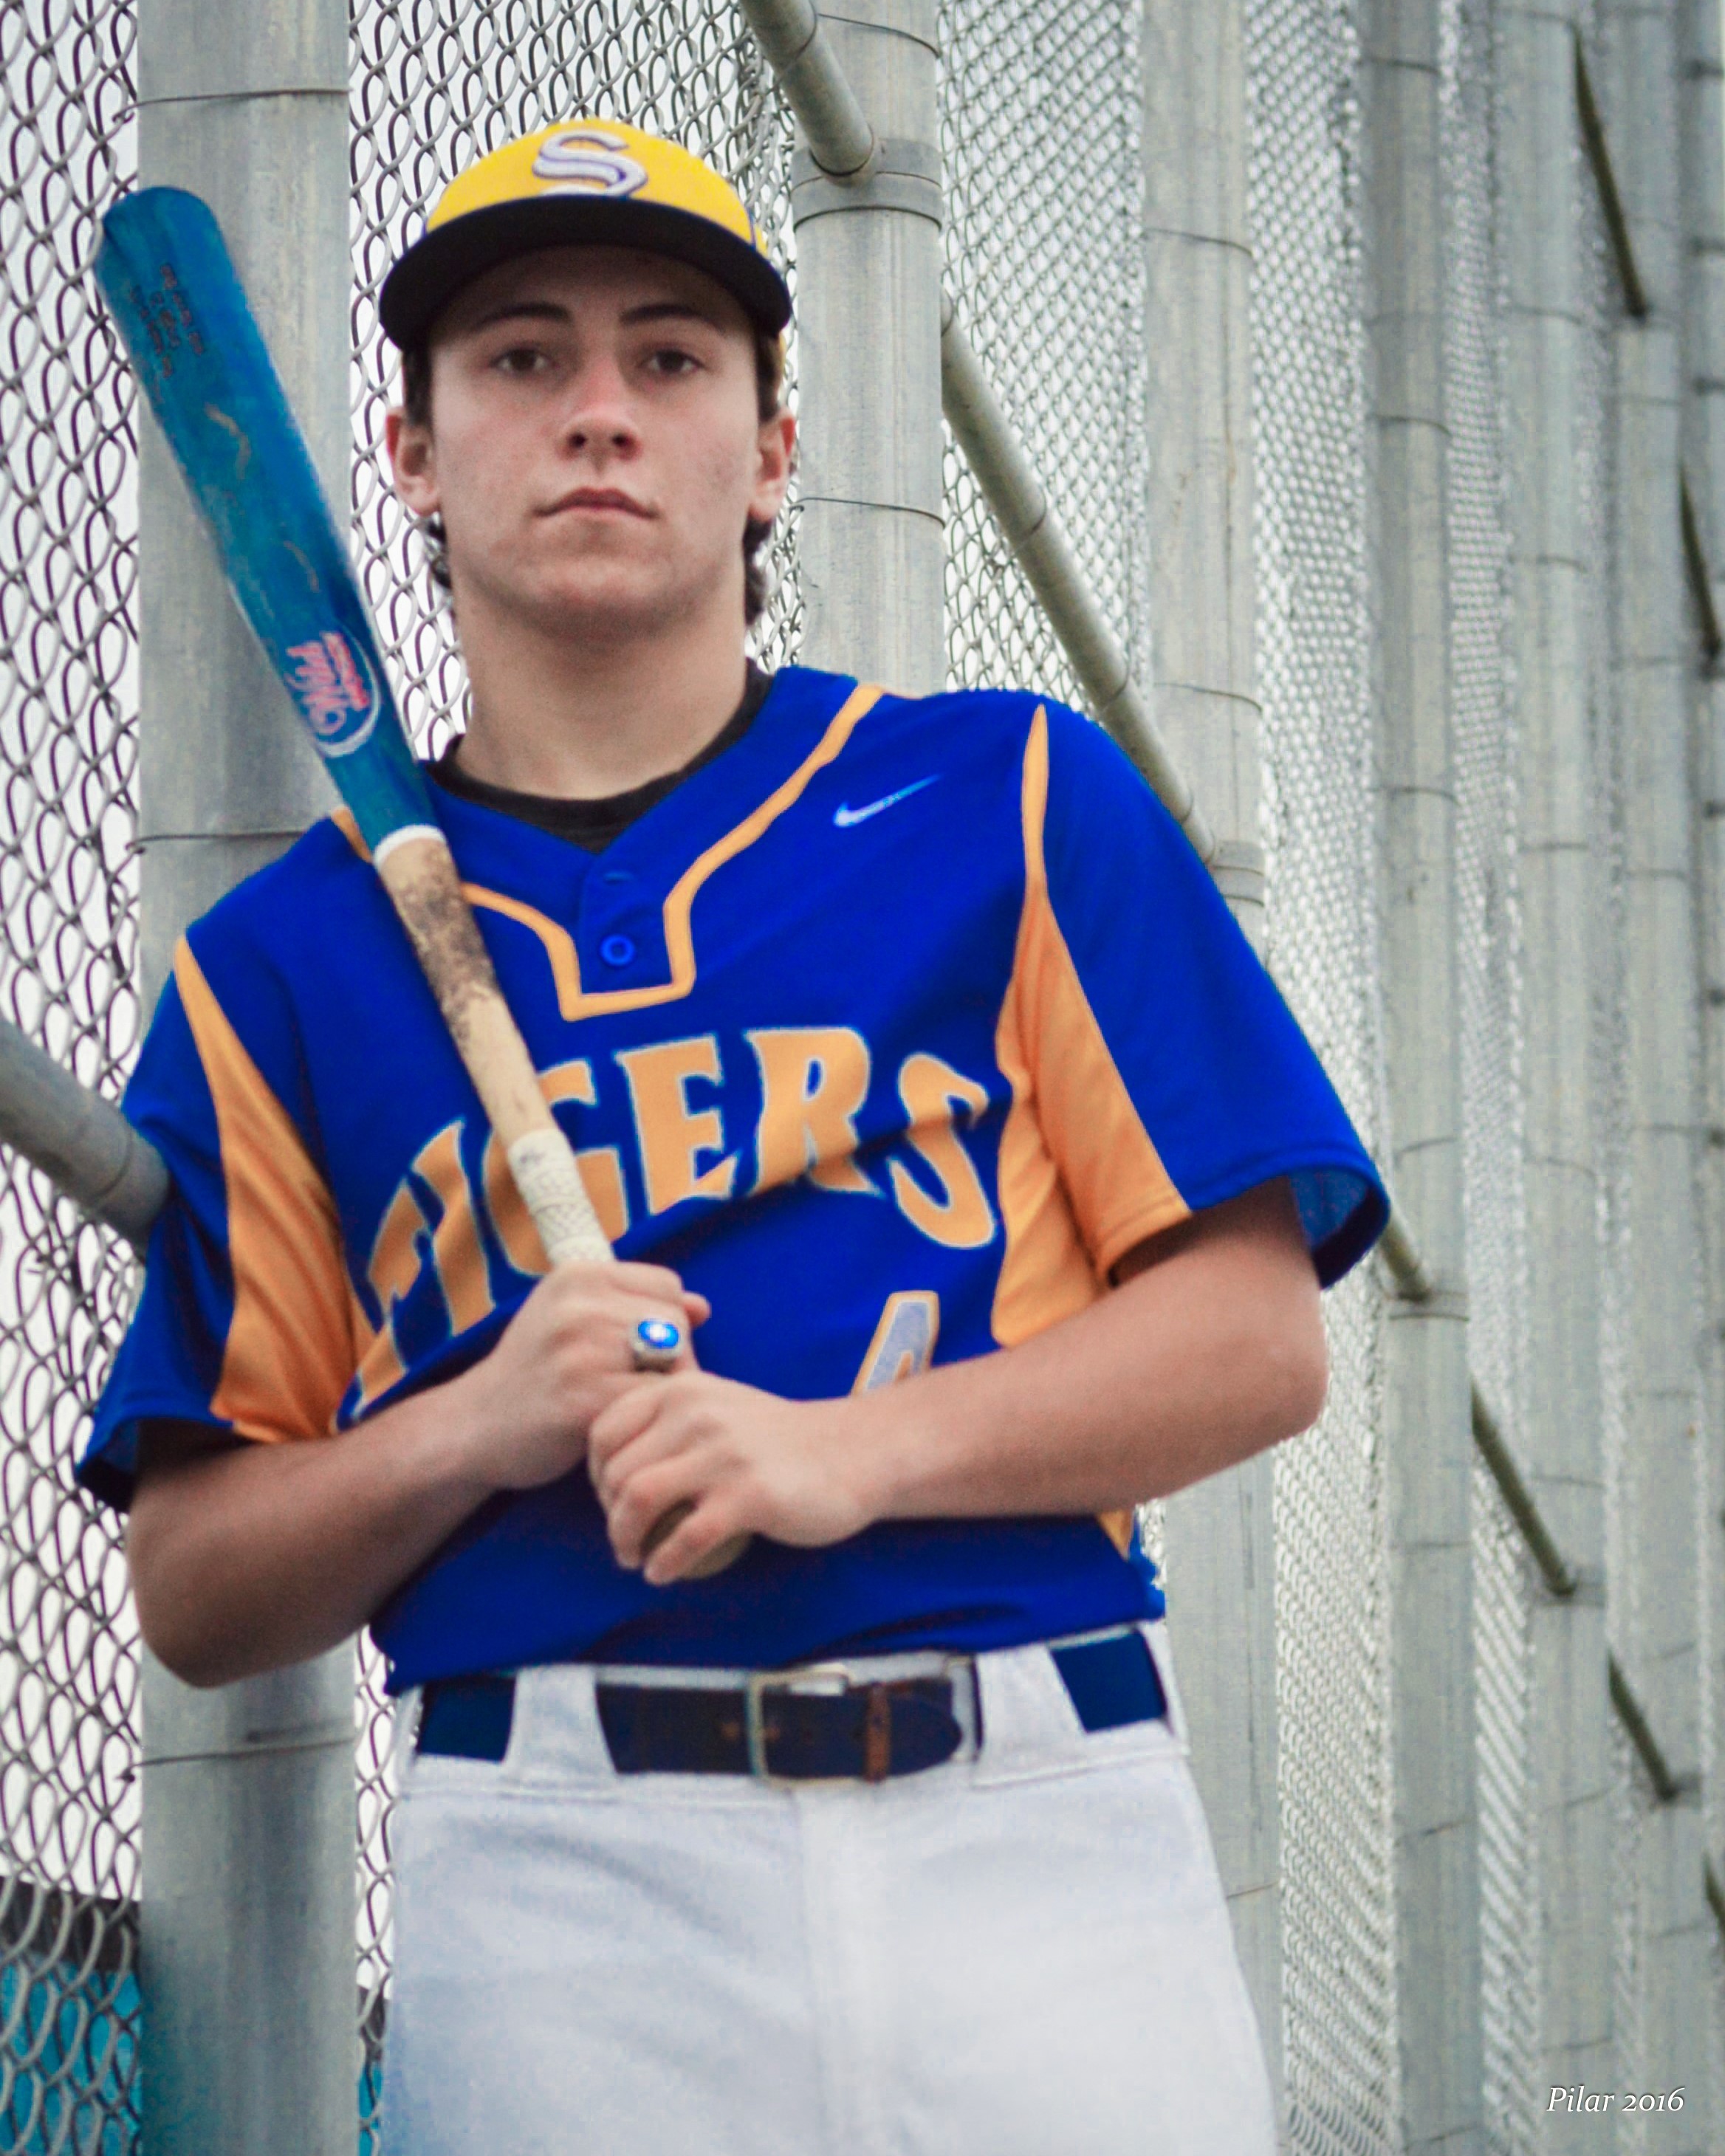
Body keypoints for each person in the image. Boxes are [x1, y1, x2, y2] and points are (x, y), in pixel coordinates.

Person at [84, 118, 1386, 2154]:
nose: (599, 409)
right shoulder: (278, 972)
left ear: (773, 452)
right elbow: (195, 1584)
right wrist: (475, 1425)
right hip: (560, 1872)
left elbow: (1255, 1342)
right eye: (523, 357)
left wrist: (842, 1455)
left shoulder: (1006, 801)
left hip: (1037, 1816)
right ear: (414, 455)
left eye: (672, 358)